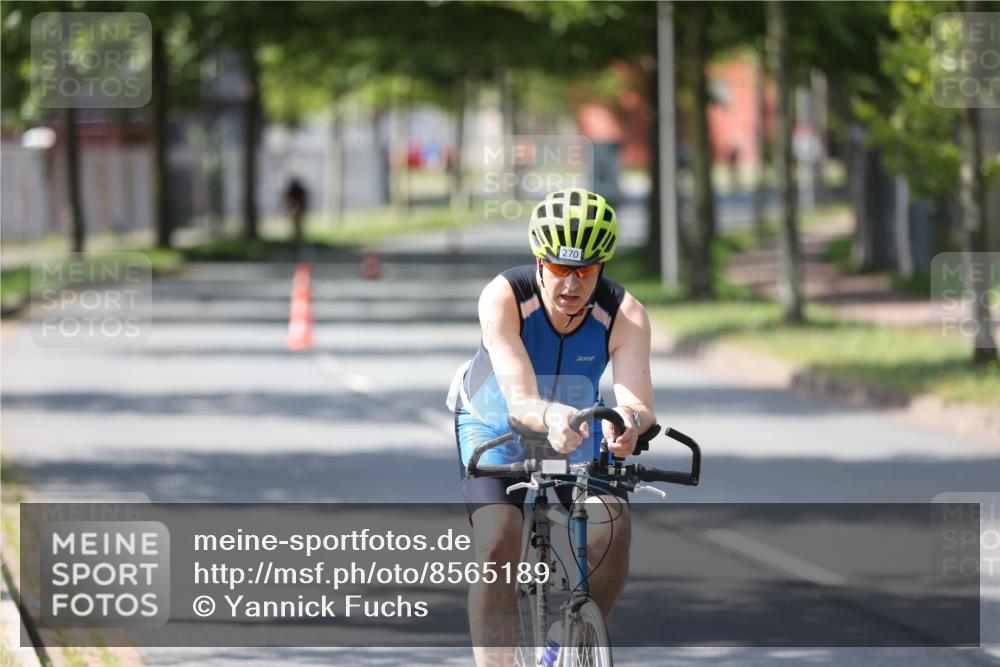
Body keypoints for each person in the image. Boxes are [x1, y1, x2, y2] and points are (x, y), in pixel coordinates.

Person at [449, 187, 656, 667]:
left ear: (601, 266)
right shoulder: (503, 297)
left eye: (585, 269)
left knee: (613, 525)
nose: (572, 282)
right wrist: (549, 416)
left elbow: (638, 403)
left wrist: (629, 423)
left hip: (578, 424)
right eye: (561, 268)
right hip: (495, 423)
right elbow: (520, 401)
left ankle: (571, 638)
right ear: (538, 260)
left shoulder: (624, 314)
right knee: (499, 539)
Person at [283, 177, 308, 253]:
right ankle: (295, 244)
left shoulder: (297, 190)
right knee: (295, 228)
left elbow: (303, 200)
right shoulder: (293, 190)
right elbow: (288, 200)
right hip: (295, 211)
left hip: (298, 211)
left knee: (298, 228)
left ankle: (298, 243)